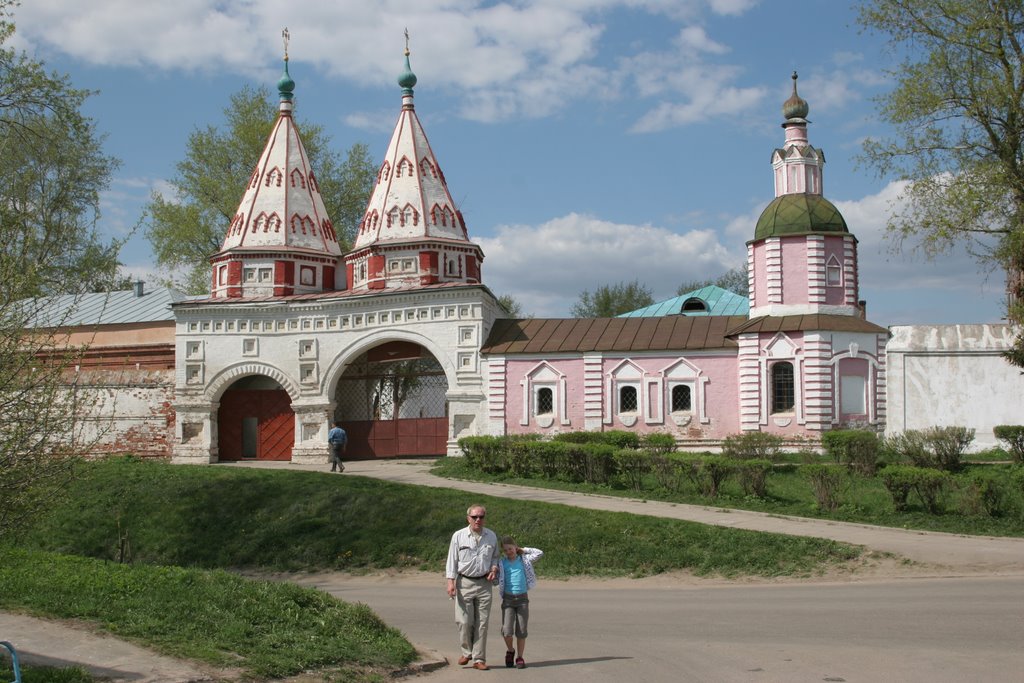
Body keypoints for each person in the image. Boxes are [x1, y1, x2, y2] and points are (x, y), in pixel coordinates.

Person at [445, 504, 499, 670]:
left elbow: (495, 557)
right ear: (468, 518)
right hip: (464, 582)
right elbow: (452, 560)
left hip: (484, 583)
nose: (478, 520)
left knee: (482, 622)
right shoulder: (459, 536)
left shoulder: (491, 536)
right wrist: (450, 582)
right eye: (475, 517)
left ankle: (479, 659)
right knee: (464, 621)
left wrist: (494, 568)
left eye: (481, 517)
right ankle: (466, 652)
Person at [496, 536, 543, 669]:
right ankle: (510, 650)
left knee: (521, 630)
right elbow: (496, 579)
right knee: (507, 630)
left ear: (515, 548)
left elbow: (539, 552)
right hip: (508, 599)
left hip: (522, 599)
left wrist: (523, 550)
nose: (509, 552)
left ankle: (520, 657)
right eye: (505, 550)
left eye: (510, 549)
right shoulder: (502, 563)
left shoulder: (524, 560)